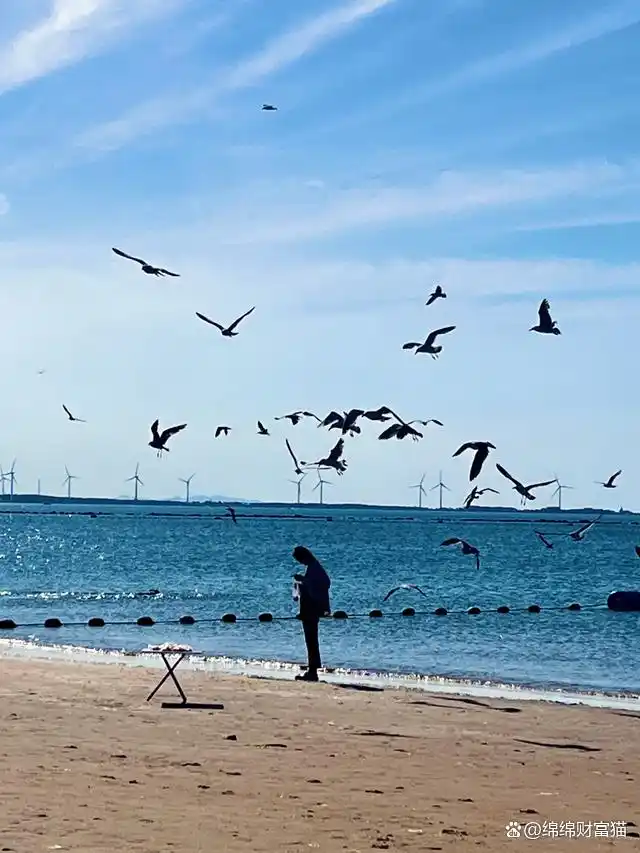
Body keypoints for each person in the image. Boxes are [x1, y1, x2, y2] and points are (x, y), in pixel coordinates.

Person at [292, 545, 331, 682]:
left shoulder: (314, 568)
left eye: (300, 560)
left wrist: (303, 580)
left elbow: (322, 583)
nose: (300, 563)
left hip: (312, 609)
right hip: (310, 609)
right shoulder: (313, 567)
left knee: (311, 640)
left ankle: (313, 670)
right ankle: (312, 669)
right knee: (311, 640)